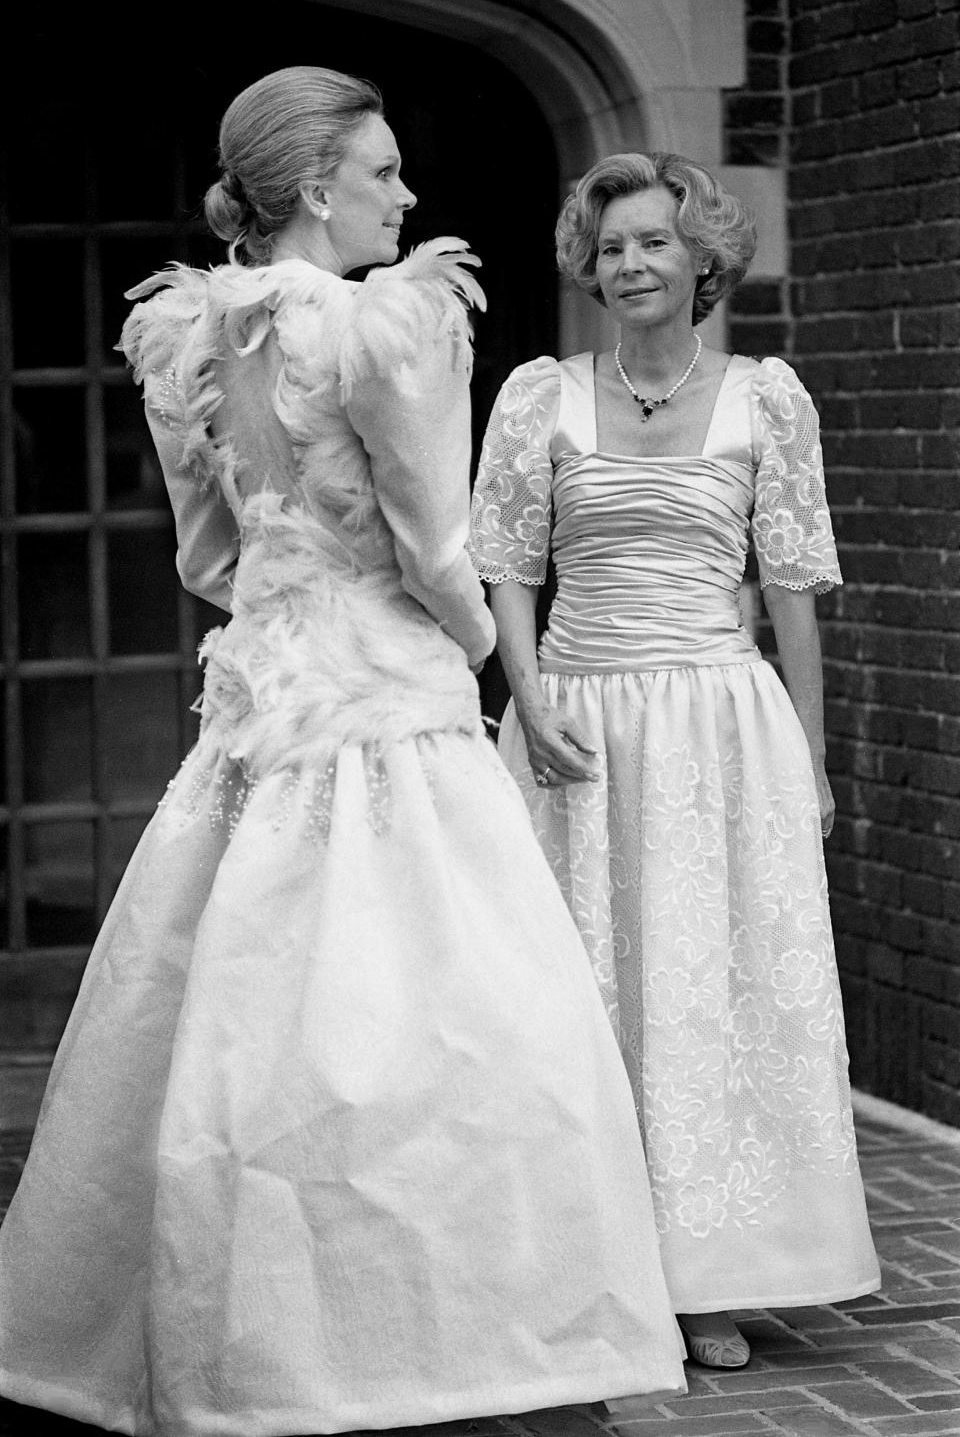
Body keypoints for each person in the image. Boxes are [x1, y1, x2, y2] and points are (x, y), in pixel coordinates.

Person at [0, 74, 687, 1433]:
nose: (408, 194)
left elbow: (206, 559)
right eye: (383, 170)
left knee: (235, 1012)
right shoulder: (392, 324)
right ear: (318, 186)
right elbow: (441, 545)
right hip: (388, 699)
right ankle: (435, 1337)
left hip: (266, 695)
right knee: (455, 1016)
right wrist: (467, 636)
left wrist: (287, 589)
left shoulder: (184, 332)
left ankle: (247, 1337)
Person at [469, 151, 881, 1371]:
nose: (631, 264)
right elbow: (508, 563)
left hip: (720, 729)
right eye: (609, 249)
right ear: (587, 271)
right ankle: (581, 1264)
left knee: (707, 992)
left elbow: (795, 590)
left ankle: (710, 1274)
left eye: (653, 242)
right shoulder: (540, 396)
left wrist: (807, 760)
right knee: (575, 991)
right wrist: (528, 697)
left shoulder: (769, 399)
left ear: (703, 257)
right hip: (577, 727)